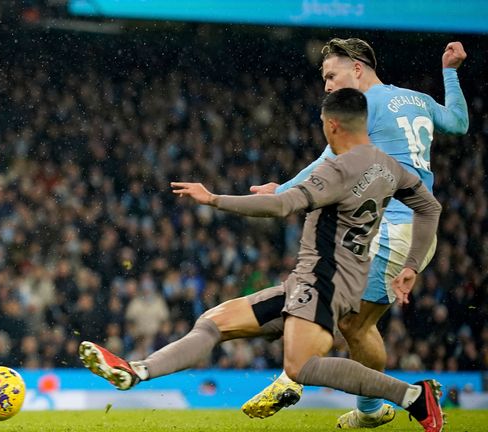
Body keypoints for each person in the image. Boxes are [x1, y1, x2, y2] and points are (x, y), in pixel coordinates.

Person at [79, 88, 446, 432]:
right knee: (214, 323)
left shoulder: (339, 168)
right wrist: (411, 265)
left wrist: (214, 199)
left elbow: (280, 204)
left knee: (300, 367)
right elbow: (430, 208)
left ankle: (412, 397)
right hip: (324, 283)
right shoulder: (389, 168)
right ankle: (136, 371)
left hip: (321, 282)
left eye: (322, 124)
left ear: (332, 124)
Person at [245, 38, 468, 428]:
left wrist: (281, 191)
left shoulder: (368, 107)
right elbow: (459, 124)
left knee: (328, 297)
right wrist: (449, 74)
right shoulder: (417, 100)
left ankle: (290, 380)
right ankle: (370, 412)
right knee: (356, 325)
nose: (328, 86)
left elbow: (327, 160)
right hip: (413, 232)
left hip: (394, 227)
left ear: (359, 68)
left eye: (332, 75)